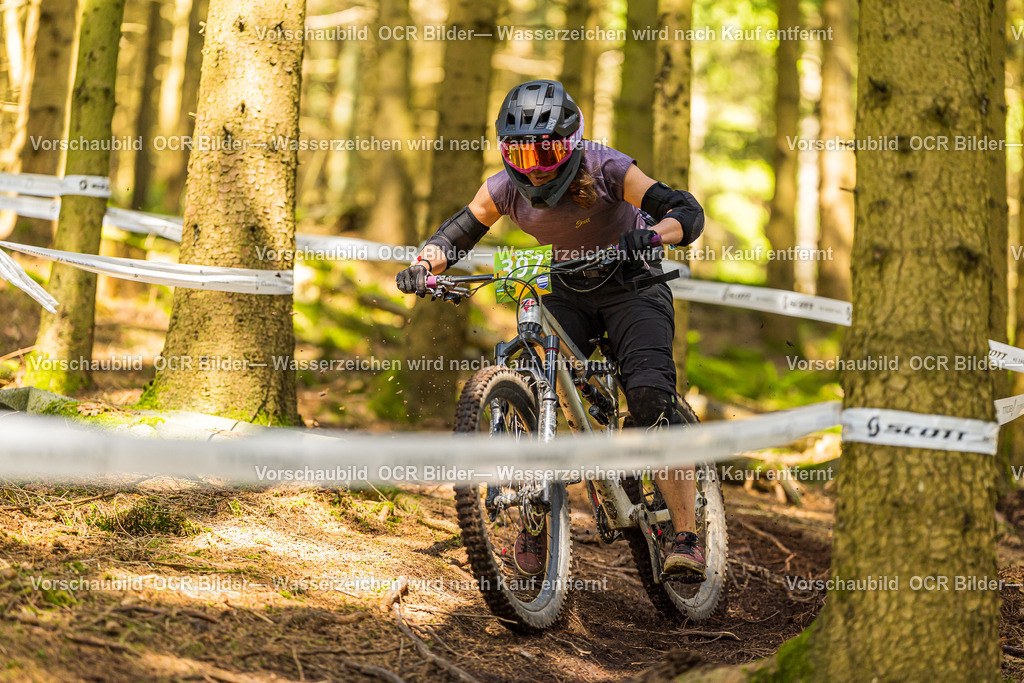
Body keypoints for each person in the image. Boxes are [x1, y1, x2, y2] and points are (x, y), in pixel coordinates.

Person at [396, 79, 706, 580]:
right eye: (519, 152)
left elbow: (685, 212)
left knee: (650, 398)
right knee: (539, 381)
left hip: (632, 286)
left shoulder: (606, 166)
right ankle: (535, 520)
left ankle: (686, 536)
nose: (534, 165)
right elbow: (457, 232)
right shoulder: (503, 188)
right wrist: (423, 265)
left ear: (571, 141)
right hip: (565, 290)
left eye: (546, 150)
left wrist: (648, 235)